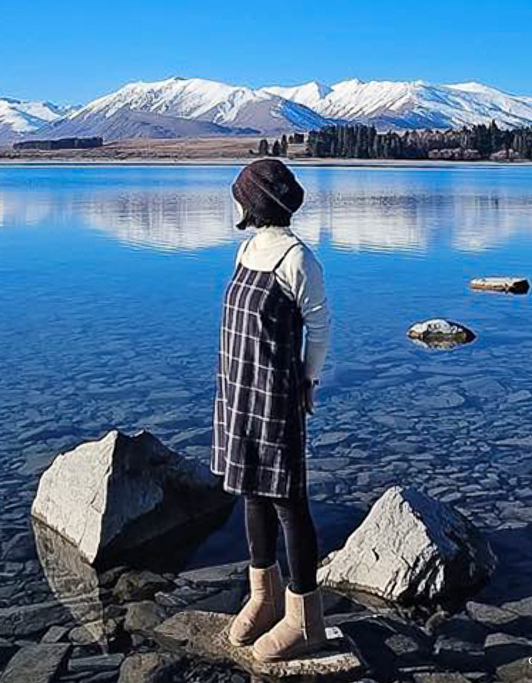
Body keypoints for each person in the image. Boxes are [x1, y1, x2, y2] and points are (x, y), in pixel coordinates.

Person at [210, 158, 331, 662]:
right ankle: (264, 597)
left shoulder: (297, 260)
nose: (235, 202)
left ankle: (306, 621)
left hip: (276, 394)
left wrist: (308, 379)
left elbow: (320, 330)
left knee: (287, 501)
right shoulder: (247, 250)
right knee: (250, 493)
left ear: (253, 203)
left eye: (240, 195)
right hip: (238, 390)